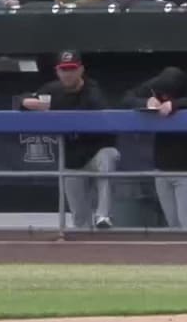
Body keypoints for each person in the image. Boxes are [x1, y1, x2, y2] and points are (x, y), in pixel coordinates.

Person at [20, 51, 119, 230]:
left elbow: (103, 115)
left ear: (81, 70)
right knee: (80, 220)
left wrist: (56, 110)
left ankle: (103, 214)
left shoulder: (92, 91)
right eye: (63, 69)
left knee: (110, 155)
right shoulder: (52, 90)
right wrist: (27, 102)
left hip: (95, 154)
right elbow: (23, 100)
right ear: (57, 71)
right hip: (72, 160)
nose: (68, 73)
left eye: (72, 69)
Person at [123, 67, 187, 229]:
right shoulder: (157, 84)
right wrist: (145, 102)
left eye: (169, 94)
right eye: (163, 93)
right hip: (163, 166)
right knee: (173, 226)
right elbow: (127, 98)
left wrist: (175, 104)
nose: (164, 96)